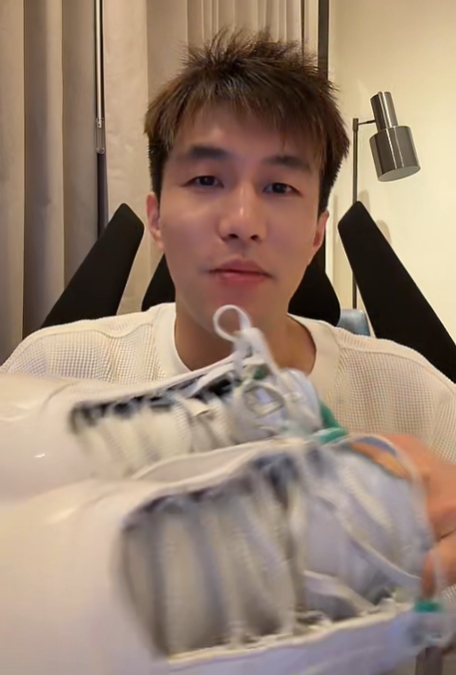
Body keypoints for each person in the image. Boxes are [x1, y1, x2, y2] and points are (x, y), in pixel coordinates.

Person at [1, 28, 456, 595]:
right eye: (206, 179)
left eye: (280, 187)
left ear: (317, 232)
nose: (243, 221)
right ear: (156, 219)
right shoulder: (51, 375)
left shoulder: (418, 401)